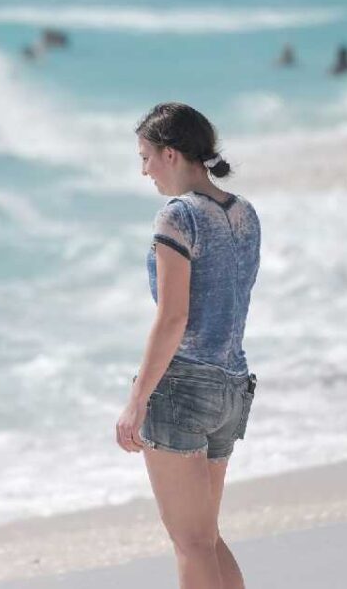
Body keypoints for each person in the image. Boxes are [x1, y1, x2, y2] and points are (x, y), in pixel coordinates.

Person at [118, 102, 261, 589]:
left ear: (172, 154)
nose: (144, 171)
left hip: (183, 389)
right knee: (206, 538)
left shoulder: (177, 216)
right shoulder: (244, 213)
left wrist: (137, 400)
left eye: (146, 157)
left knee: (191, 543)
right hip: (232, 388)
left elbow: (174, 316)